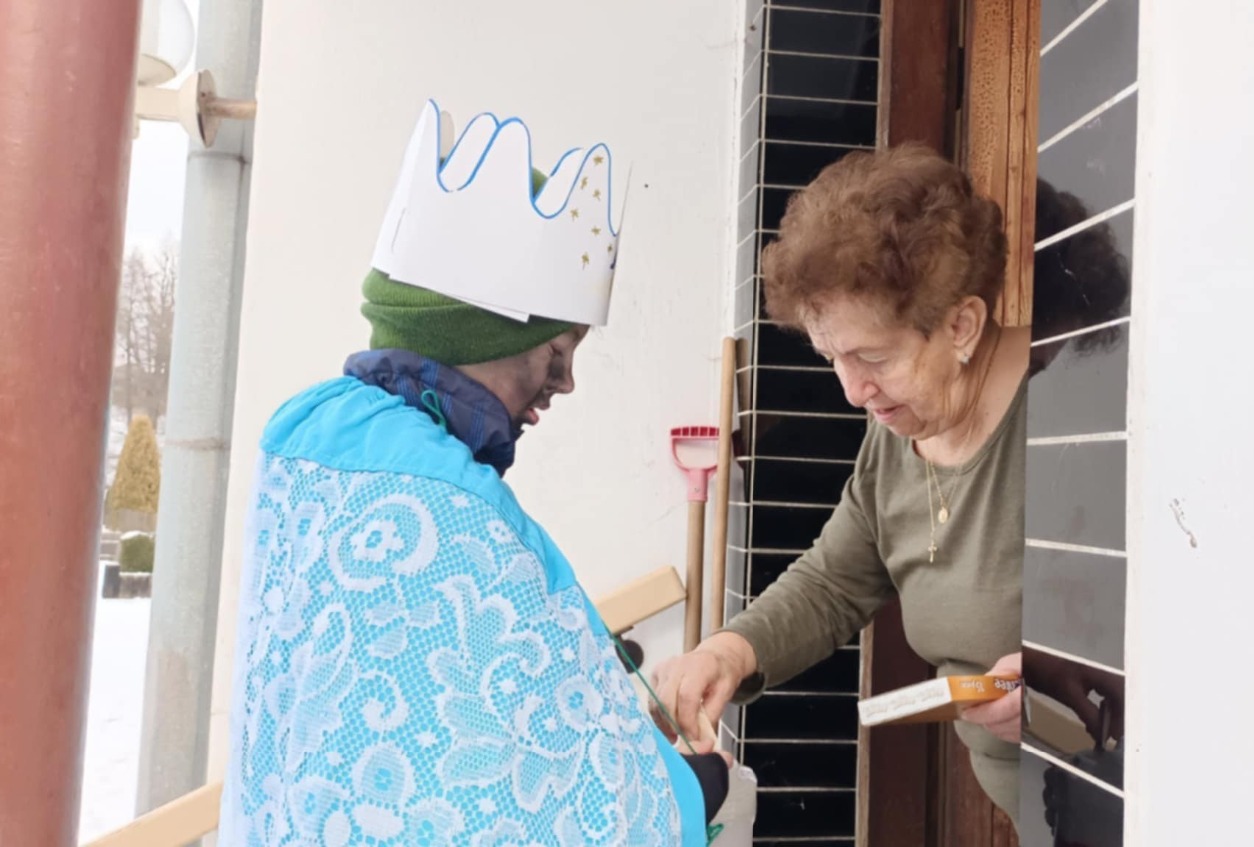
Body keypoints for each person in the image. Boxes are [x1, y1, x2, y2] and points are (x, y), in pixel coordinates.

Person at [217, 100, 727, 847]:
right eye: (557, 354)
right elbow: (537, 799)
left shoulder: (305, 439)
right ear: (481, 335)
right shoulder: (449, 504)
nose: (566, 384)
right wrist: (688, 790)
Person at [652, 143, 1030, 820]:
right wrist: (729, 652)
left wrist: (1061, 689)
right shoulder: (898, 435)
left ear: (962, 325)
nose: (854, 392)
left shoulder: (1063, 415)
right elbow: (833, 581)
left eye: (873, 357)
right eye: (833, 358)